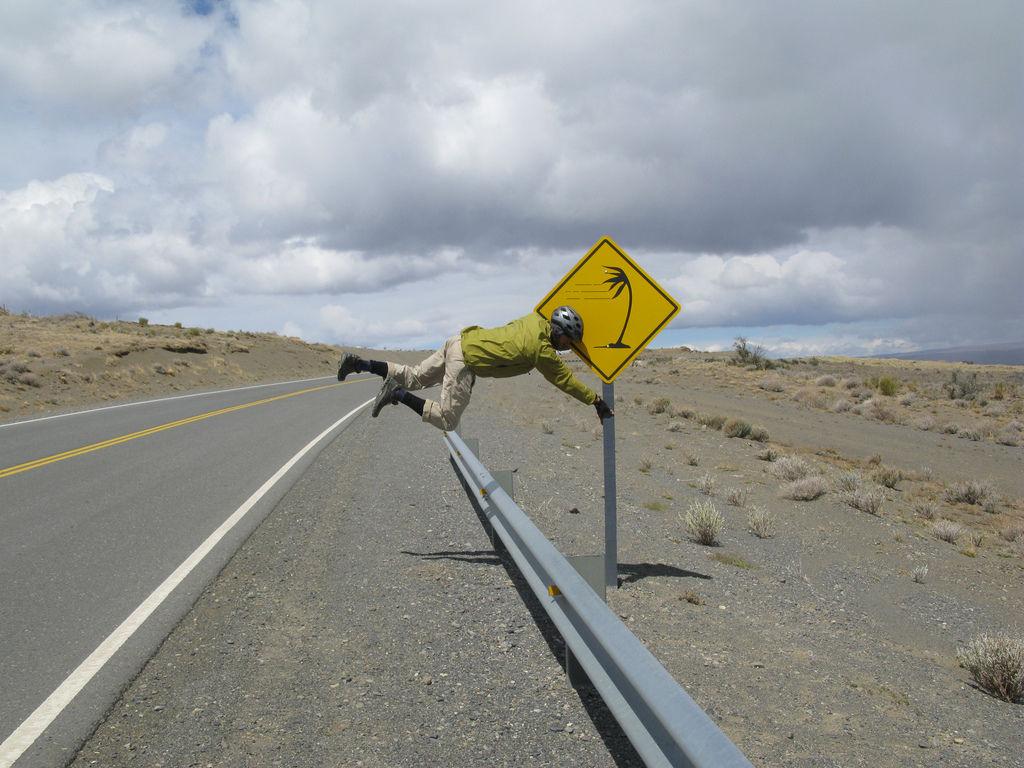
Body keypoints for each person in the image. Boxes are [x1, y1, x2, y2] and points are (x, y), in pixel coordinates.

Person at [336, 305, 614, 431]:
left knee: (415, 376)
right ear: (558, 331)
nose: (569, 346)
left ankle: (359, 363)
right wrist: (595, 400)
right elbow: (564, 380)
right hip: (466, 362)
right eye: (569, 339)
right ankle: (396, 394)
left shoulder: (533, 319)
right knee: (447, 420)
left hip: (459, 340)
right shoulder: (541, 350)